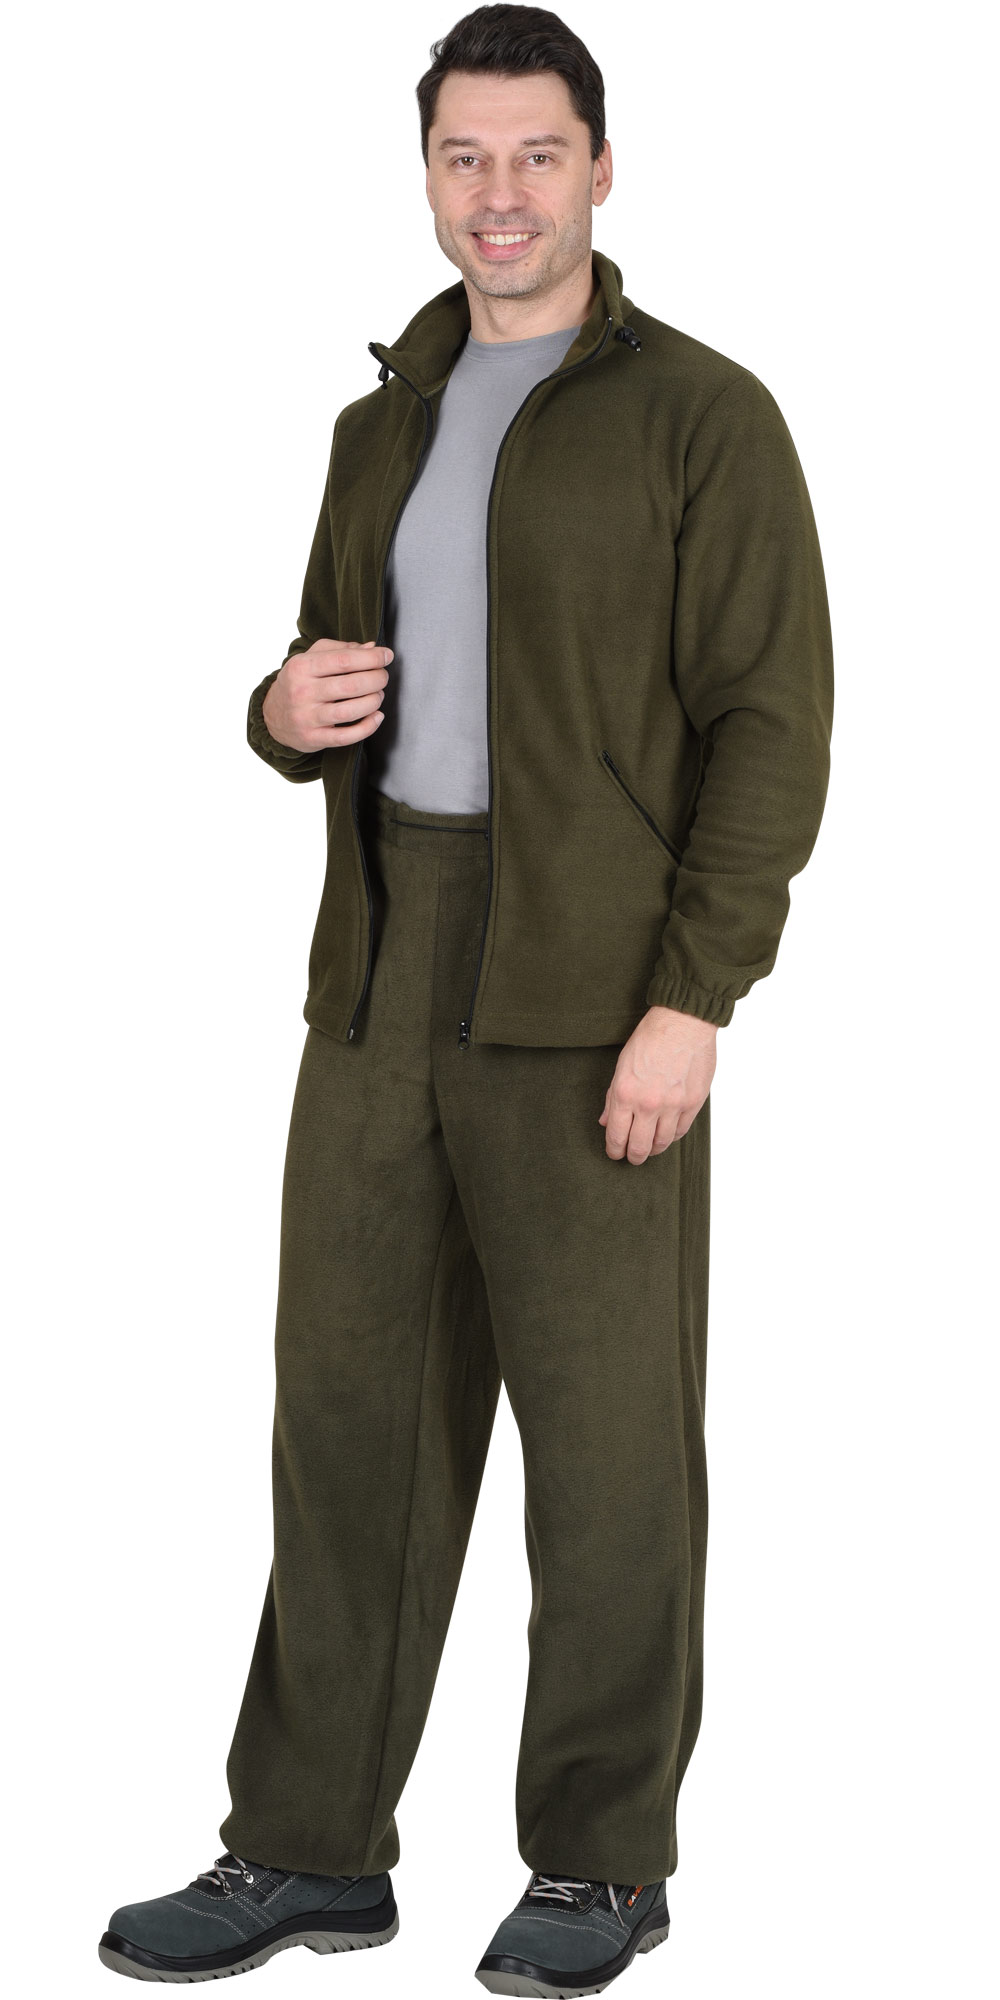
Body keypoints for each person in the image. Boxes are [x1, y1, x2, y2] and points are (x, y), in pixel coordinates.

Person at [98, 4, 834, 1991]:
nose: (498, 194)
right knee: (344, 1420)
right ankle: (307, 1847)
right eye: (463, 156)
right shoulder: (381, 422)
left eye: (535, 153)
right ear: (427, 174)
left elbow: (770, 725)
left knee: (605, 1445)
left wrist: (696, 996)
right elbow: (322, 668)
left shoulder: (702, 417)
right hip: (378, 969)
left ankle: (598, 1863)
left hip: (594, 978)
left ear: (600, 167)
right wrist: (277, 710)